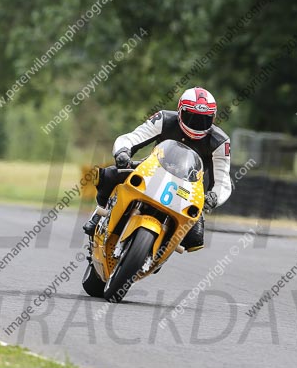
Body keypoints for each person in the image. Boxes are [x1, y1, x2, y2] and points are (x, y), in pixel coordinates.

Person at [83, 87, 232, 252]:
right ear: (180, 110)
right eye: (191, 117)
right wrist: (123, 152)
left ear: (214, 117)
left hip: (189, 190)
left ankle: (161, 250)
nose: (197, 124)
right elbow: (133, 137)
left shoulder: (220, 142)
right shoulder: (164, 119)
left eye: (204, 119)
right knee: (109, 175)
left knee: (195, 239)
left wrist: (214, 197)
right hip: (152, 171)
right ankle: (101, 213)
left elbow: (223, 179)